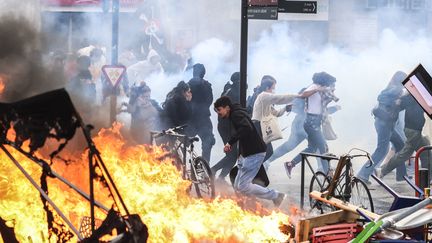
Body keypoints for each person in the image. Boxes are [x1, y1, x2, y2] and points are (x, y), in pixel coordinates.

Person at [213, 96, 285, 206]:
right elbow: (244, 136)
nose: (218, 113)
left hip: (254, 152)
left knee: (243, 186)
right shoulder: (235, 113)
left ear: (227, 107)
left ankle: (276, 196)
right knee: (238, 186)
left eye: (219, 110)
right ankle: (247, 205)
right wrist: (240, 154)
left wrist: (230, 142)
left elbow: (246, 128)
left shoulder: (236, 115)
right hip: (246, 153)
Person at [265, 88, 341, 169]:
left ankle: (269, 160)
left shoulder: (310, 94)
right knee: (318, 145)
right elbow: (319, 112)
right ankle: (322, 167)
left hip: (300, 125)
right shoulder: (310, 95)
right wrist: (335, 108)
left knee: (296, 146)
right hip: (304, 125)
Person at [356, 71, 407, 184]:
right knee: (382, 150)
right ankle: (362, 174)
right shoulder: (394, 89)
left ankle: (402, 175)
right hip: (384, 124)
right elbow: (401, 92)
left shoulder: (392, 89)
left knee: (400, 145)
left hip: (387, 124)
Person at [284, 72, 338, 177]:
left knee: (312, 148)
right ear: (324, 81)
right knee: (323, 147)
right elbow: (303, 95)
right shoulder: (314, 87)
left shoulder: (320, 89)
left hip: (314, 122)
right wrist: (318, 89)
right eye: (330, 83)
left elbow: (320, 104)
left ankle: (290, 164)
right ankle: (328, 174)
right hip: (311, 122)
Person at [377, 93, 431, 179]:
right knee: (418, 154)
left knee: (420, 153)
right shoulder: (413, 95)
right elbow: (400, 104)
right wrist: (398, 101)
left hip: (414, 130)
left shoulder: (415, 95)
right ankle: (428, 180)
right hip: (413, 130)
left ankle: (428, 178)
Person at [251, 75, 299, 163]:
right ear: (267, 87)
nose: (274, 90)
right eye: (273, 88)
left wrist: (285, 108)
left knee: (265, 152)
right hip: (258, 127)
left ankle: (254, 169)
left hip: (260, 127)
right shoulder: (263, 96)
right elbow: (279, 98)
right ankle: (252, 169)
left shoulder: (266, 99)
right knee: (266, 152)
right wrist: (298, 96)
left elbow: (276, 113)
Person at [211, 72, 240, 182]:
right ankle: (213, 171)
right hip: (226, 127)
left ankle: (220, 178)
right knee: (232, 155)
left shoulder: (232, 90)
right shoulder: (232, 92)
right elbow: (217, 107)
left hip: (229, 126)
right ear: (238, 81)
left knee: (233, 156)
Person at [187, 63, 215, 162]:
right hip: (203, 119)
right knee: (207, 143)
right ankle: (204, 168)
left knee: (182, 143)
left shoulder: (187, 85)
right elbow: (209, 100)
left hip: (191, 119)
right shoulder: (206, 85)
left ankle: (182, 166)